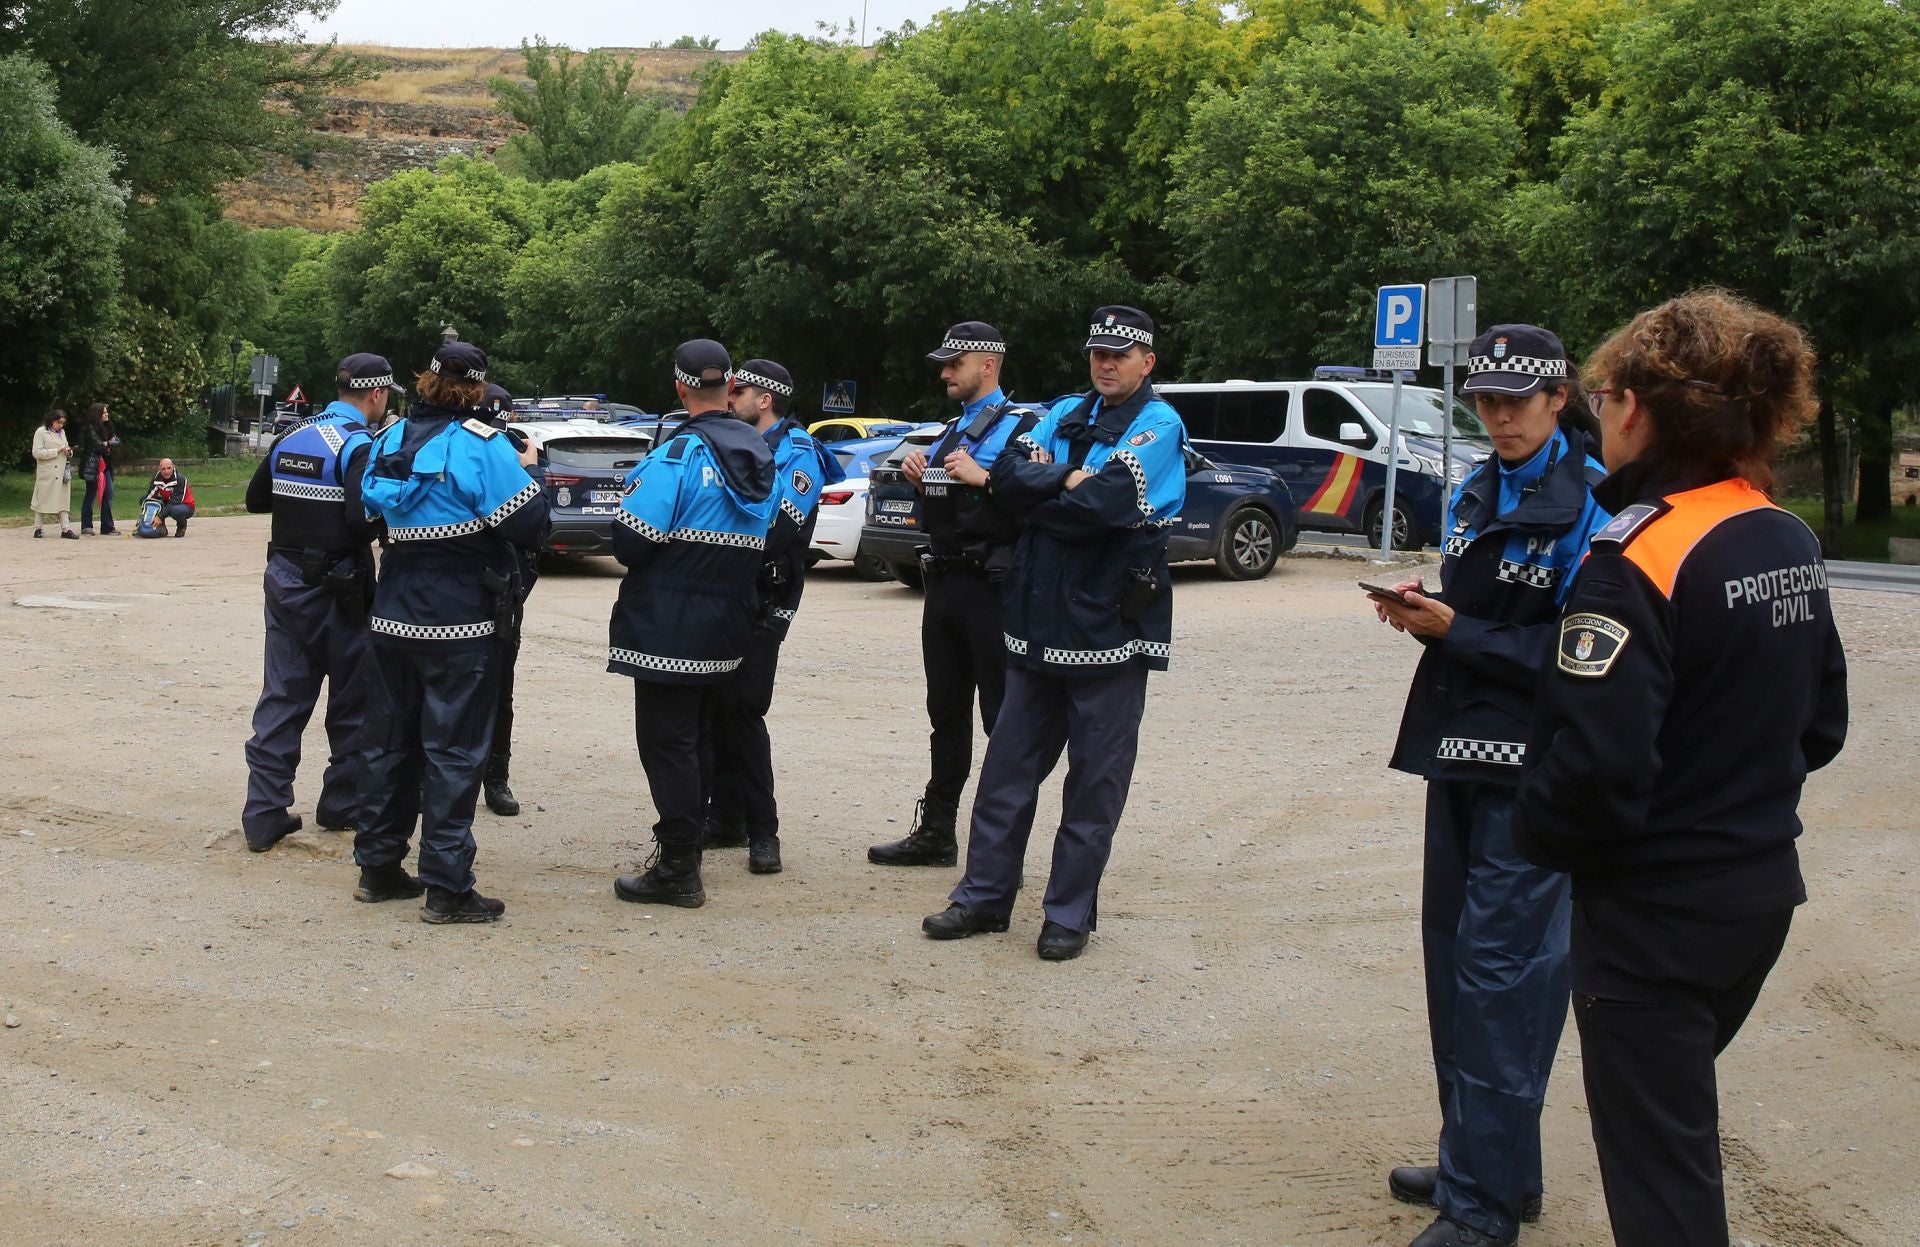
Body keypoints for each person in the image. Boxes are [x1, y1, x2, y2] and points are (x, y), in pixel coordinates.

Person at [1515, 292, 1848, 1247]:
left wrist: (1529, 825)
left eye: (1602, 393)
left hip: (1653, 918)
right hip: (1757, 897)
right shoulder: (1779, 530)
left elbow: (1596, 771)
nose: (1596, 412)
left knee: (1663, 1181)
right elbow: (1821, 724)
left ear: (1640, 407)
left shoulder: (1638, 552)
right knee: (1677, 1133)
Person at [1370, 325, 1612, 1247]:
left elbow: (1583, 655)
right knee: (1452, 968)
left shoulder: (1595, 502)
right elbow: (1481, 606)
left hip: (1534, 776)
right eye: (1487, 399)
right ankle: (1488, 1160)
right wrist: (1426, 608)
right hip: (1459, 756)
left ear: (1560, 399)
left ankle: (1478, 1211)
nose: (1501, 414)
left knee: (1506, 980)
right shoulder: (1475, 484)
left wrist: (1454, 631)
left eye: (1519, 398)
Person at [920, 306, 1185, 962]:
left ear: (1146, 362)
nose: (1105, 363)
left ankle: (1068, 912)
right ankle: (982, 897)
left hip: (1110, 632)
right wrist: (1063, 480)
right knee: (1006, 773)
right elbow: (1007, 479)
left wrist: (1042, 493)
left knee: (1093, 785)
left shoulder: (1160, 424)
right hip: (1037, 628)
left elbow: (1104, 504)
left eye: (1120, 355)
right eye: (1097, 351)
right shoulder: (1063, 409)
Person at [356, 342, 549, 923]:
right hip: (461, 619)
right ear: (477, 392)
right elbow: (531, 525)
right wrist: (531, 469)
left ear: (424, 383)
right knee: (454, 750)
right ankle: (447, 887)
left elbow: (363, 514)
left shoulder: (387, 441)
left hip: (392, 614)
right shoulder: (480, 446)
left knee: (389, 744)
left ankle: (379, 867)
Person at [607, 339, 776, 908]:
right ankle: (690, 848)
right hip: (727, 623)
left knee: (666, 742)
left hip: (667, 626)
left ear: (680, 387)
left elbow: (630, 543)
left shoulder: (676, 456)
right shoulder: (764, 456)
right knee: (700, 736)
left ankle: (679, 865)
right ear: (730, 388)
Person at [868, 321, 1043, 869]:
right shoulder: (953, 429)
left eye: (954, 364)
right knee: (944, 712)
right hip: (943, 585)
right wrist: (925, 482)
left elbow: (1030, 502)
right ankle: (937, 832)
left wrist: (983, 477)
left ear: (988, 364)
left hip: (991, 587)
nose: (944, 373)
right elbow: (946, 508)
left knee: (1002, 719)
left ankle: (998, 846)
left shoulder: (1024, 428)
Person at [239, 354, 396, 853]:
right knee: (352, 698)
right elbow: (359, 520)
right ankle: (340, 804)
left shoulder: (293, 433)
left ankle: (264, 814)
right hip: (340, 586)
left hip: (283, 576)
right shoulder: (357, 444)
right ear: (376, 394)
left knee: (282, 696)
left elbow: (256, 500)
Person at [702, 358, 839, 874]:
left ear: (766, 400)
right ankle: (726, 819)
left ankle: (765, 832)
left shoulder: (798, 451)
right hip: (730, 592)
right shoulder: (737, 443)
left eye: (739, 391)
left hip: (768, 596)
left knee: (745, 707)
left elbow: (782, 526)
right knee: (718, 705)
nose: (729, 397)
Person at [479, 380, 536, 817]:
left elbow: (536, 530)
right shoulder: (471, 452)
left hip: (504, 595)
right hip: (463, 589)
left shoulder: (516, 450)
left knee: (501, 694)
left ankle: (496, 777)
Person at [30, 409, 78, 539]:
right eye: (58, 422)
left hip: (61, 471)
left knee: (63, 500)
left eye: (63, 423)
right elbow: (37, 452)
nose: (61, 425)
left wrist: (69, 452)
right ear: (51, 420)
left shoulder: (62, 433)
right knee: (42, 499)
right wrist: (56, 450)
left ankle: (66, 528)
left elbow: (66, 446)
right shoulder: (41, 432)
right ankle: (38, 528)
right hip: (47, 471)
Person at [78, 402, 119, 535]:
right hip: (93, 466)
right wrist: (107, 444)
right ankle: (86, 525)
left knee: (109, 493)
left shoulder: (108, 427)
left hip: (105, 466)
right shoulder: (90, 429)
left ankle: (107, 526)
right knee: (91, 494)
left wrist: (108, 443)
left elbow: (117, 441)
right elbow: (98, 445)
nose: (107, 414)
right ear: (98, 414)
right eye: (104, 412)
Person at [135, 459, 195, 537]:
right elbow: (150, 495)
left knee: (176, 511)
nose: (166, 471)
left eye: (169, 468)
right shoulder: (157, 477)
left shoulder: (180, 479)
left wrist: (160, 516)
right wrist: (144, 508)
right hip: (168, 502)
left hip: (185, 505)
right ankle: (161, 528)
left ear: (173, 467)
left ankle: (181, 526)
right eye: (163, 469)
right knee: (145, 500)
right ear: (160, 469)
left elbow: (175, 502)